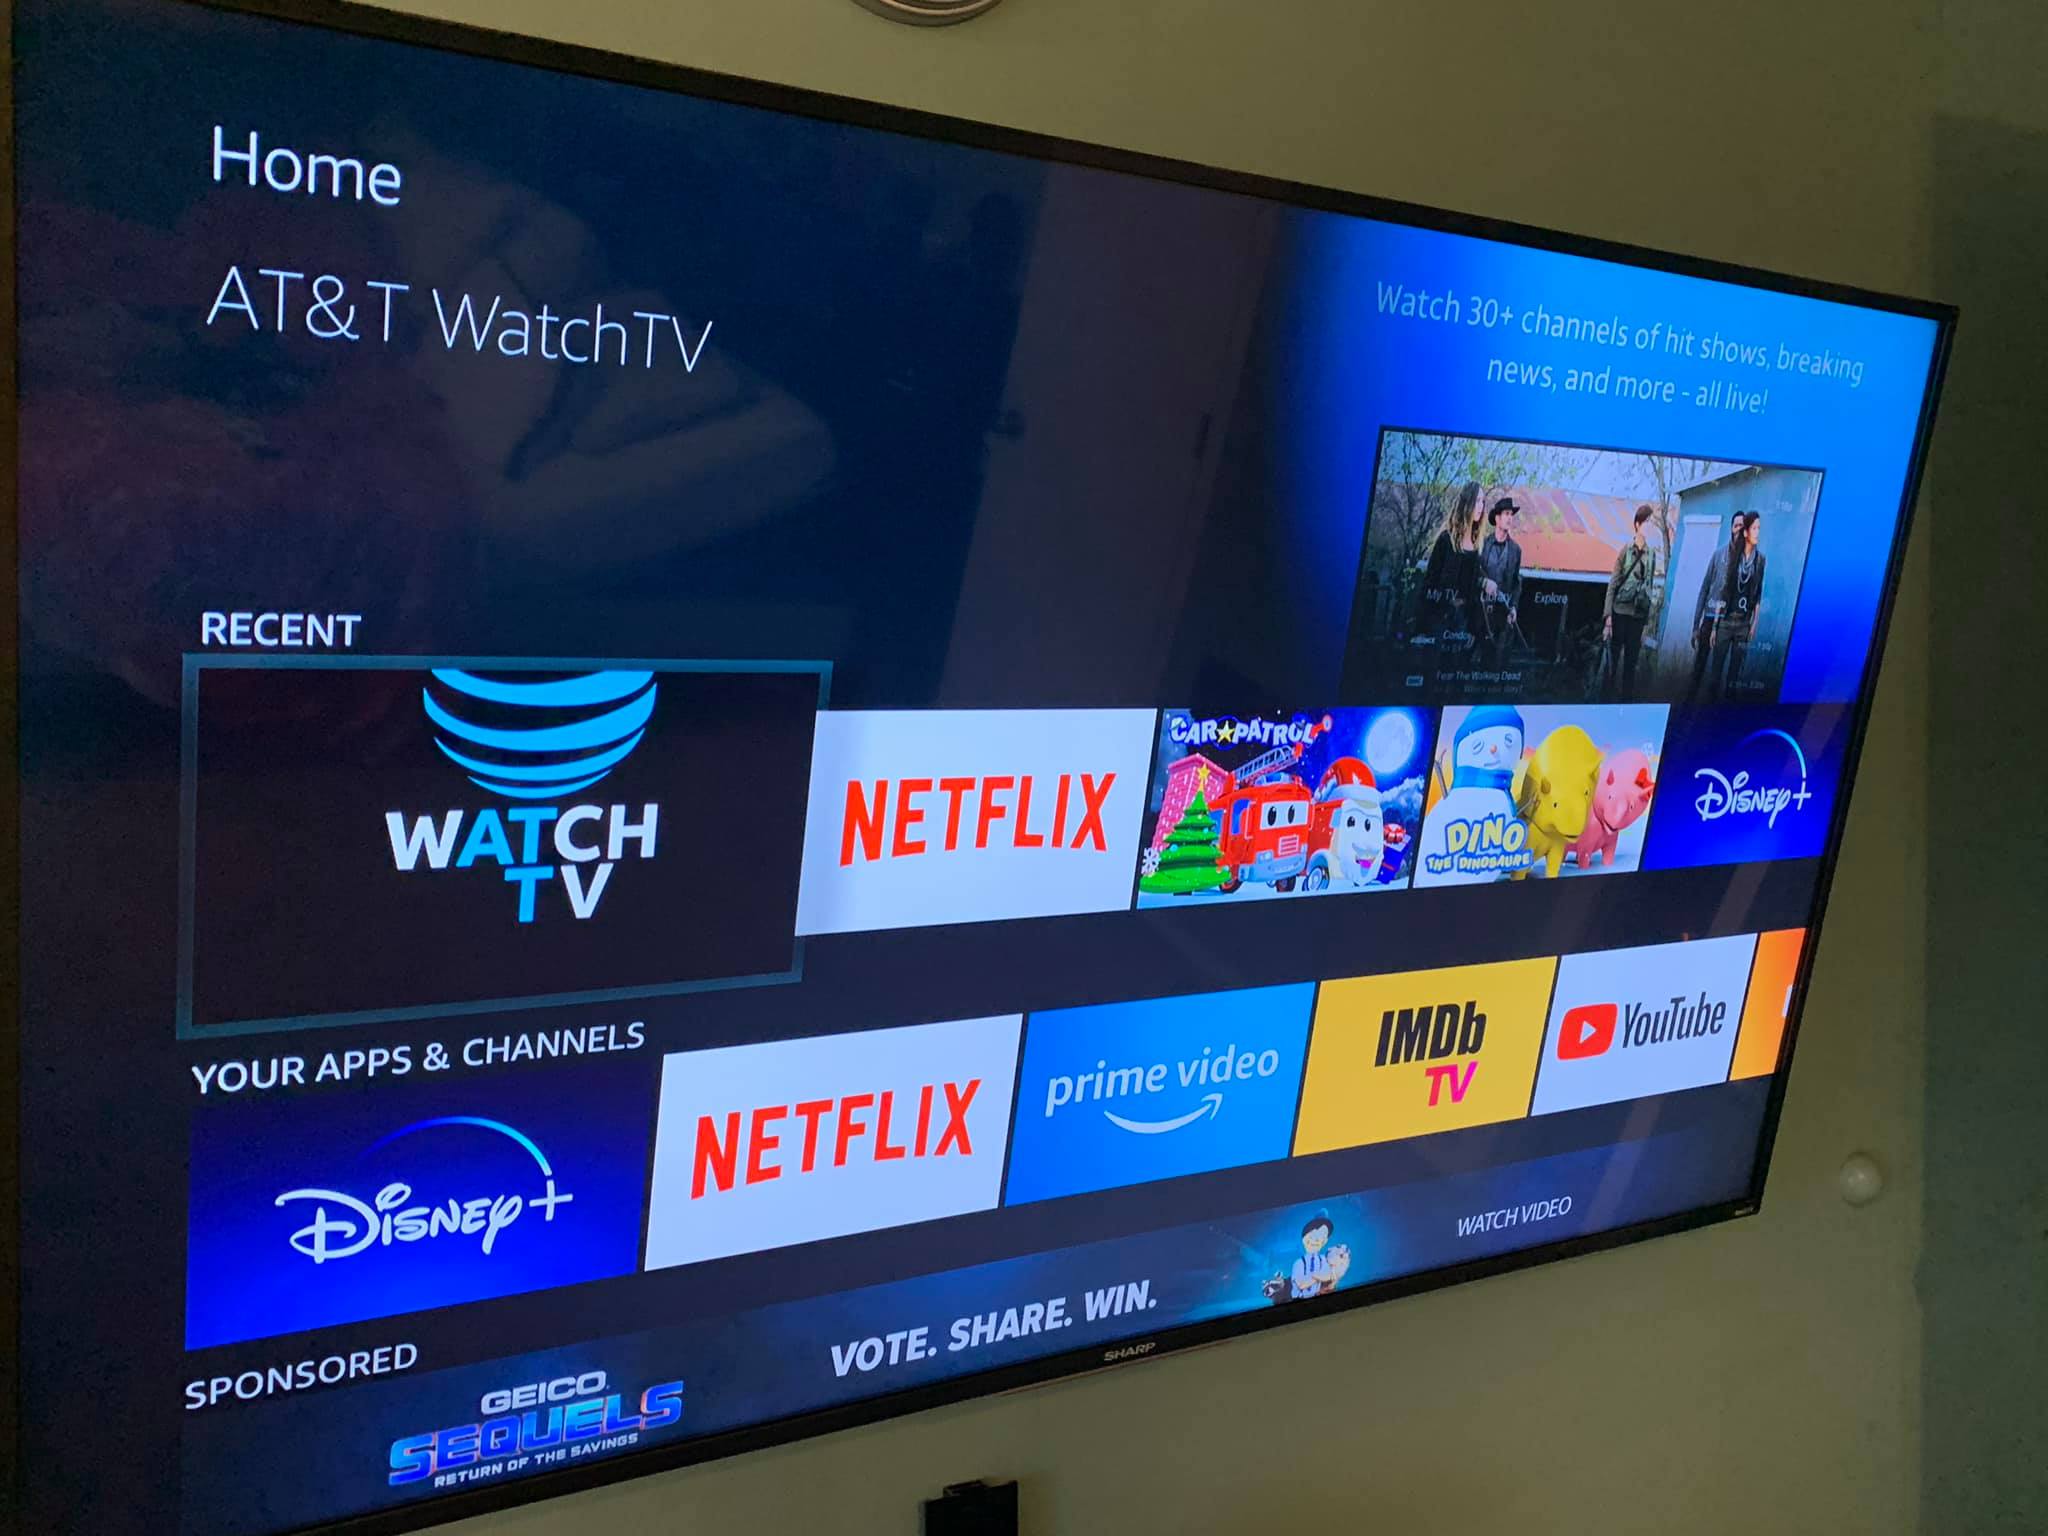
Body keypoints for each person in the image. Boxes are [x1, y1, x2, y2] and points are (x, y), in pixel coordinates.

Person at [1704, 510, 1765, 698]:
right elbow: (1723, 591)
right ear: (1745, 532)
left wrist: (1754, 624)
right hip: (1725, 622)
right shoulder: (1732, 557)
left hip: (1743, 625)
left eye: (1759, 528)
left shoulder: (1760, 560)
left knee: (1734, 678)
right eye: (1753, 528)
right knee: (1715, 677)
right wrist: (1715, 626)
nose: (1757, 532)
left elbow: (1758, 593)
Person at [1602, 505, 1660, 701]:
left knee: (1630, 665)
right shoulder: (1625, 551)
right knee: (1612, 662)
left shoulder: (1652, 555)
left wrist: (1647, 624)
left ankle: (1625, 704)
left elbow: (1649, 587)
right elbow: (1613, 584)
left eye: (1651, 523)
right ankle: (1605, 700)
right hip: (1620, 613)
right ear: (1637, 525)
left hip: (1638, 617)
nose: (1650, 526)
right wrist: (1608, 617)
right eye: (1646, 522)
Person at [1417, 481, 1483, 648]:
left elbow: (1472, 588)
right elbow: (1430, 582)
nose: (1481, 507)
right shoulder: (1446, 540)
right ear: (1467, 503)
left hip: (1462, 623)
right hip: (1440, 619)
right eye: (1477, 501)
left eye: (1483, 501)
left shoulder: (1476, 546)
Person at [1476, 496, 1523, 667]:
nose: (1510, 518)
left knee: (1497, 662)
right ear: (1497, 518)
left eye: (1511, 514)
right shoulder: (1483, 545)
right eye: (1506, 514)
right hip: (1480, 611)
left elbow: (1516, 583)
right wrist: (1483, 583)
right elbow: (1472, 575)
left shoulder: (1516, 550)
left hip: (1502, 614)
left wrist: (1514, 607)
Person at [1289, 1213, 1351, 1298]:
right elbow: (1301, 1284)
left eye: (1322, 1236)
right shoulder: (1298, 1263)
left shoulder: (1324, 1261)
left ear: (1325, 1241)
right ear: (1304, 1238)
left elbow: (1333, 1278)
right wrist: (1320, 1275)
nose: (1316, 1240)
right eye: (1313, 1235)